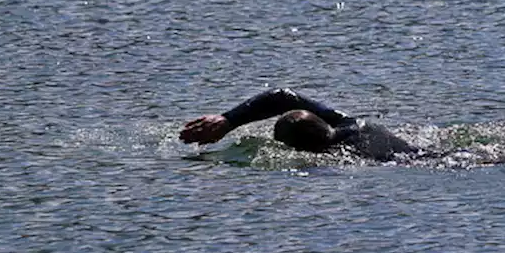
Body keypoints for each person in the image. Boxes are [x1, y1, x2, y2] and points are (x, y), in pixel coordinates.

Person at [180, 88, 426, 161]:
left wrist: (229, 120)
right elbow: (283, 98)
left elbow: (282, 98)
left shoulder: (336, 156)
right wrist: (227, 120)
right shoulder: (352, 123)